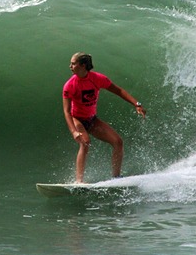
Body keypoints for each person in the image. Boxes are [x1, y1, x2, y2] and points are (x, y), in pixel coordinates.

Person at [62, 52, 146, 183]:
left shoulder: (97, 78)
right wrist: (74, 131)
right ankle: (79, 181)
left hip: (92, 119)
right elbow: (67, 111)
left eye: (73, 63)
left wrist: (137, 104)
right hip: (77, 119)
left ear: (83, 65)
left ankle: (116, 177)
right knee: (85, 143)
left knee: (118, 142)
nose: (70, 66)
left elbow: (118, 91)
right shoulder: (70, 85)